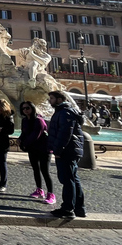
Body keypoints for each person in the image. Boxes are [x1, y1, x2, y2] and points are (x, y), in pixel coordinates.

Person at [47, 90, 86, 219]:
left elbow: (65, 134)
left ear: (59, 99)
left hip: (67, 151)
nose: (49, 101)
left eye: (52, 98)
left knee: (67, 179)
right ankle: (79, 208)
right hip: (71, 150)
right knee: (73, 179)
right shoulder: (66, 111)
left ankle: (68, 208)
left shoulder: (65, 113)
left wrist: (58, 150)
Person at [18, 101, 55, 205]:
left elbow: (35, 135)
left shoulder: (39, 120)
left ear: (32, 108)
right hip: (32, 149)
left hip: (44, 149)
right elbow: (24, 133)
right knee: (35, 169)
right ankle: (39, 190)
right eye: (23, 108)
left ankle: (51, 194)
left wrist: (24, 144)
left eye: (28, 108)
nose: (25, 110)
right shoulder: (24, 120)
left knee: (45, 171)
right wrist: (20, 139)